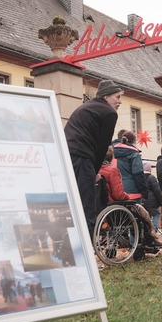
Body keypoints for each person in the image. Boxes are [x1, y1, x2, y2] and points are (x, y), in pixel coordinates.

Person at [64, 80, 122, 237]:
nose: (119, 101)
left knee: (73, 203)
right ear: (107, 96)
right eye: (117, 97)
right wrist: (95, 172)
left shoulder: (85, 107)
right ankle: (88, 252)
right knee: (87, 205)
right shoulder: (109, 113)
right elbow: (103, 146)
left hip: (67, 154)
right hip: (82, 157)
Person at [98, 147, 162, 247]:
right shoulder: (112, 171)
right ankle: (149, 239)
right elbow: (118, 195)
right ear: (111, 157)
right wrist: (127, 197)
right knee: (142, 213)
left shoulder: (95, 172)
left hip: (100, 208)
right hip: (114, 208)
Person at [112, 131, 148, 202]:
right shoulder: (134, 154)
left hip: (115, 190)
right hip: (132, 191)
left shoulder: (112, 152)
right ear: (134, 141)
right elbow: (138, 174)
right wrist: (144, 192)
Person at [141, 161, 162, 236]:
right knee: (156, 214)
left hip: (143, 200)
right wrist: (161, 202)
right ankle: (154, 230)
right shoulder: (152, 178)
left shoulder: (139, 178)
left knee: (145, 216)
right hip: (152, 201)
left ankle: (146, 231)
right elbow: (157, 191)